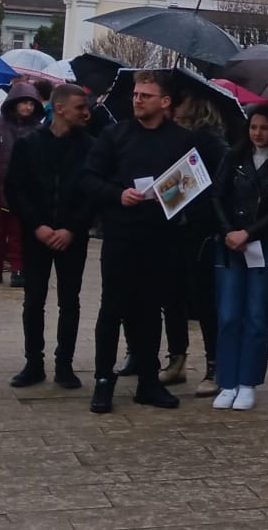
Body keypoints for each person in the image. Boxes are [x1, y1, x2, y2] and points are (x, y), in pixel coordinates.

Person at [81, 69, 196, 415]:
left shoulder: (181, 139)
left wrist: (172, 196)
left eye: (146, 95)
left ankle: (148, 381)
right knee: (112, 308)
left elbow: (193, 182)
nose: (138, 100)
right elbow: (88, 179)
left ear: (165, 102)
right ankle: (104, 380)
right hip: (121, 235)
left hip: (161, 237)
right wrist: (118, 195)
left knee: (149, 310)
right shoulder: (114, 135)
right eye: (135, 94)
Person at [3, 82, 96, 389]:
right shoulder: (29, 143)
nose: (85, 113)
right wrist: (37, 225)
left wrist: (73, 228)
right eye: (80, 107)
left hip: (72, 236)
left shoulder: (90, 146)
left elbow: (92, 192)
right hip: (37, 235)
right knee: (33, 300)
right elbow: (15, 189)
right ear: (60, 108)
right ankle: (33, 363)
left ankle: (64, 364)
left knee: (70, 301)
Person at [207, 104, 268, 411]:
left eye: (264, 128)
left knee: (257, 316)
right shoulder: (233, 156)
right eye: (254, 127)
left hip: (263, 244)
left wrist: (249, 233)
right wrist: (229, 231)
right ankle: (227, 381)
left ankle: (248, 382)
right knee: (228, 315)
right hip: (230, 245)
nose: (258, 133)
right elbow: (217, 195)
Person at [165, 94, 229, 394]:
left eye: (178, 103)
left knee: (203, 299)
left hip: (201, 229)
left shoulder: (208, 141)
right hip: (177, 226)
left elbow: (221, 182)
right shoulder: (173, 137)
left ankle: (214, 364)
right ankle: (176, 358)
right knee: (172, 295)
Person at [0, 81, 45, 287]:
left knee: (19, 233)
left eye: (32, 104)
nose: (28, 107)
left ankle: (18, 268)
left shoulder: (38, 130)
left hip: (23, 191)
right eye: (24, 102)